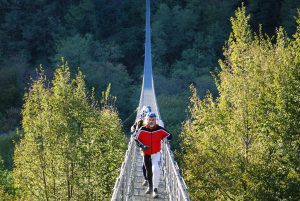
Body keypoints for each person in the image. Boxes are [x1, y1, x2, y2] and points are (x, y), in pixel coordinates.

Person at [135, 112, 172, 198]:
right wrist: (142, 146)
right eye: (149, 120)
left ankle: (155, 190)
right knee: (148, 172)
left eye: (153, 120)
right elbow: (136, 139)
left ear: (156, 120)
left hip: (156, 153)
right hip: (146, 153)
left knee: (156, 169)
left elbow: (170, 136)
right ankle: (150, 187)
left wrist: (165, 137)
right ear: (146, 120)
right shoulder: (143, 129)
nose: (151, 121)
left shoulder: (160, 129)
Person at [131, 106, 152, 187]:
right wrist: (133, 132)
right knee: (145, 163)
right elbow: (132, 127)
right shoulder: (139, 122)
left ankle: (149, 178)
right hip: (143, 146)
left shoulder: (153, 122)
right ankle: (146, 179)